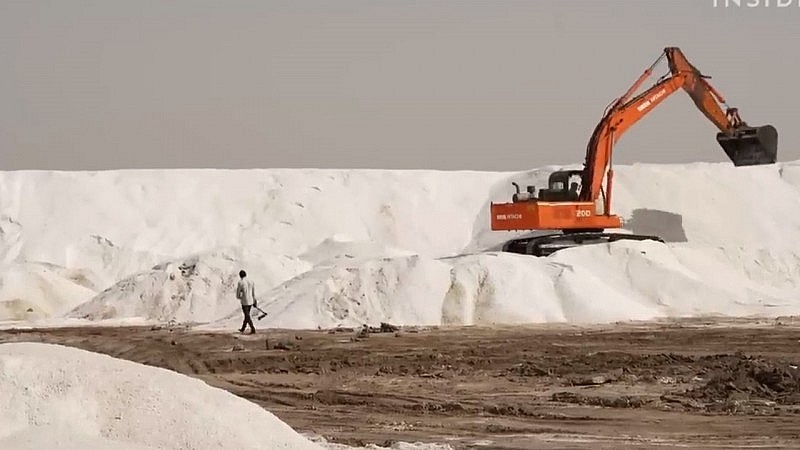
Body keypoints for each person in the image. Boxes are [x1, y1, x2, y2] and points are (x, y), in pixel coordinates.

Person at [236, 269, 257, 334]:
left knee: (247, 315)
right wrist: (254, 300)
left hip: (244, 301)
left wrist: (240, 297)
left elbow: (238, 294)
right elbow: (253, 292)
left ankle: (252, 328)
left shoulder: (240, 282)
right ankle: (243, 328)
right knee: (247, 315)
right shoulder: (251, 281)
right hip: (251, 300)